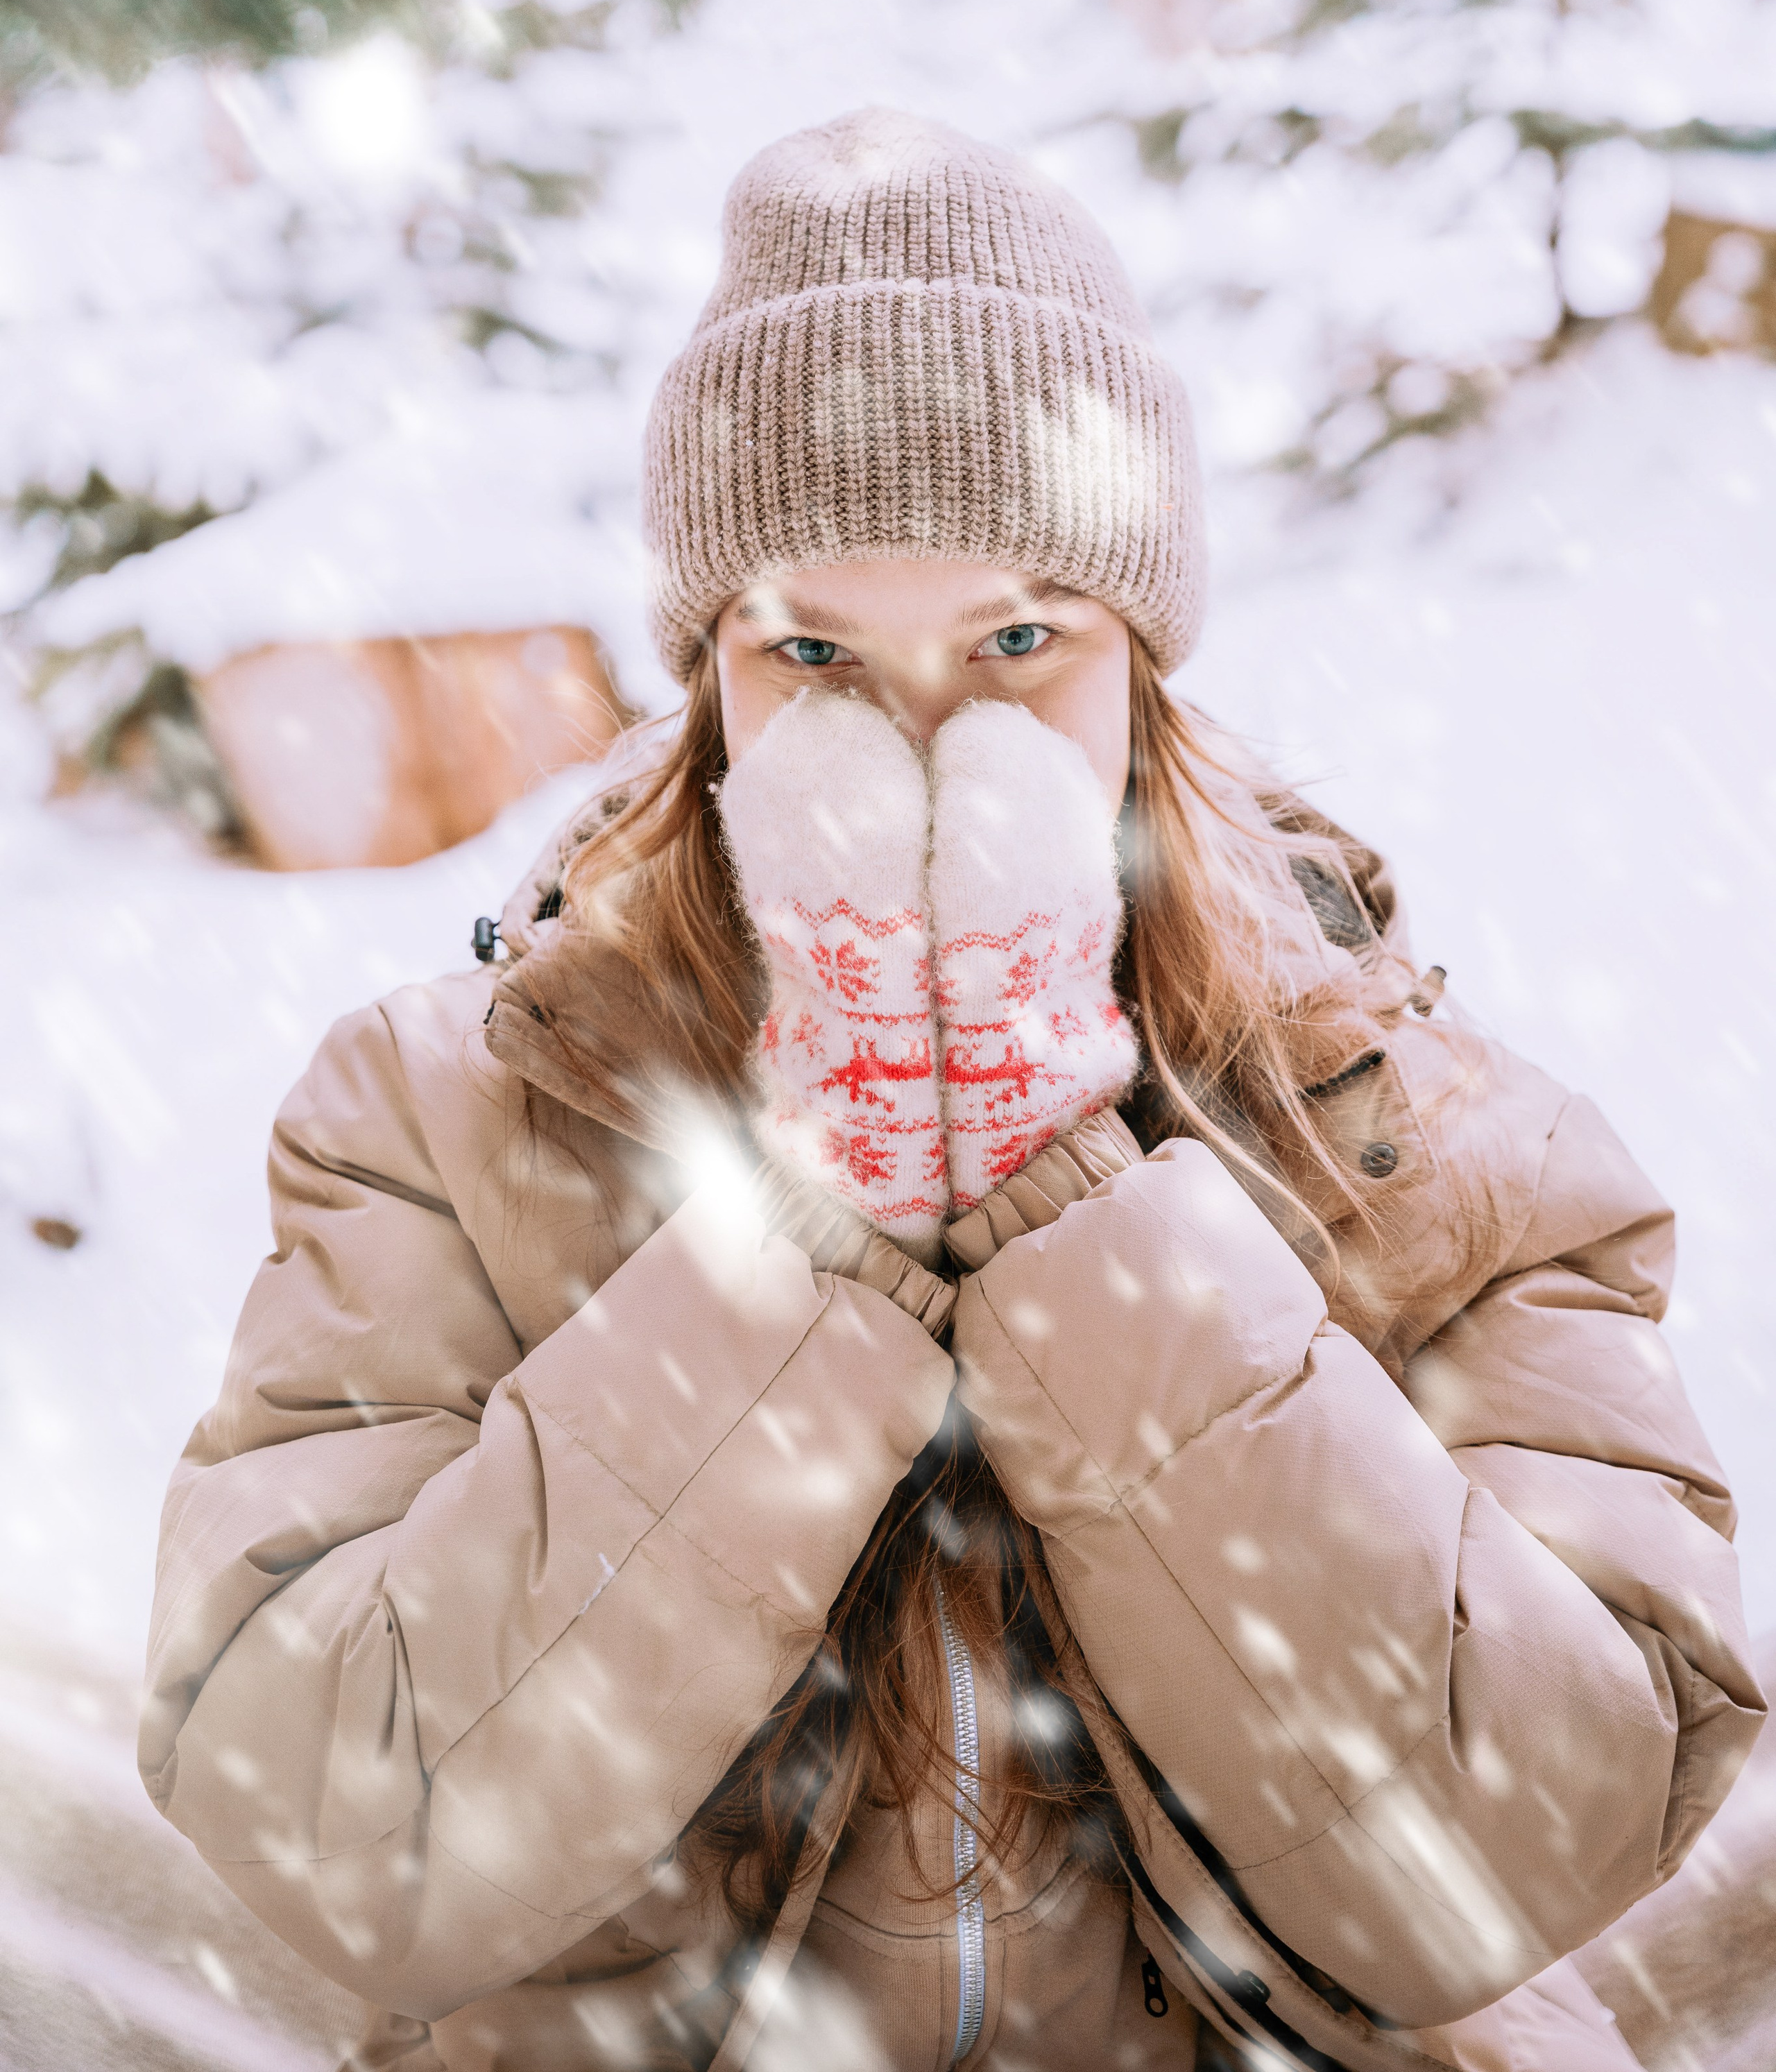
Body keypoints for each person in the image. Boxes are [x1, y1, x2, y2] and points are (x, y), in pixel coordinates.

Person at [142, 111, 1763, 2072]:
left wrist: (1078, 1210)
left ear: (1142, 659)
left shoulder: (1411, 1123)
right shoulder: (439, 1114)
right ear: (710, 674)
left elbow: (1526, 1849)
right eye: (815, 649)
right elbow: (346, 1836)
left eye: (1017, 639)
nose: (922, 739)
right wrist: (806, 1247)